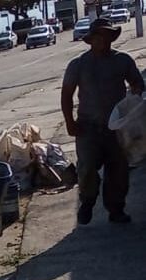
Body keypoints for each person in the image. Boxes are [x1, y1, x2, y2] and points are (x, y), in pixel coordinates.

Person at [61, 17, 144, 225]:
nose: (103, 40)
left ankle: (116, 209)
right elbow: (66, 95)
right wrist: (70, 122)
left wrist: (136, 90)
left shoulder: (122, 60)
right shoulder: (78, 65)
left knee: (118, 170)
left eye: (107, 36)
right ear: (91, 40)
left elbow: (137, 83)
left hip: (117, 129)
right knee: (87, 167)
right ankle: (87, 201)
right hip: (87, 127)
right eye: (98, 36)